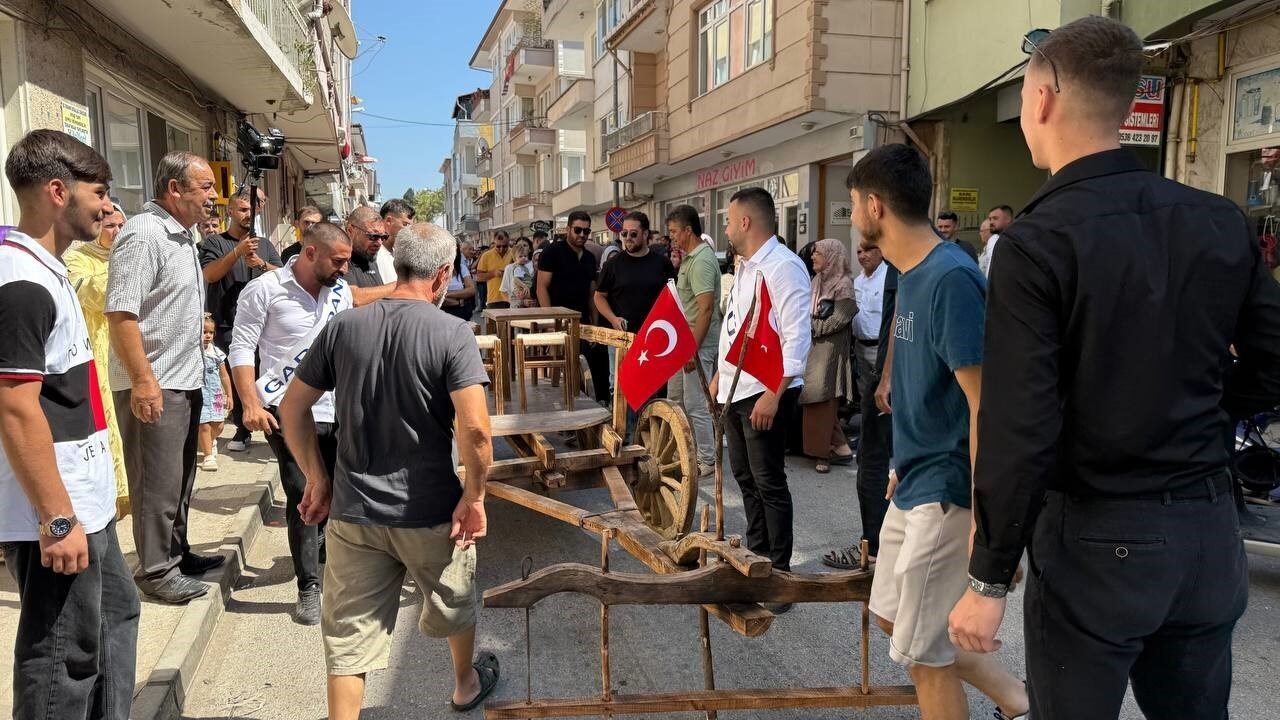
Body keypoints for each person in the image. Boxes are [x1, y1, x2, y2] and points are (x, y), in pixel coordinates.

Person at [948, 17, 1280, 720]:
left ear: (1042, 99)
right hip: (1207, 530)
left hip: (1100, 535)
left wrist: (988, 576)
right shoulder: (1220, 219)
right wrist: (1209, 409)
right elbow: (1273, 359)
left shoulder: (1035, 243)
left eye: (1025, 96)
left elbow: (1020, 425)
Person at [280, 222, 499, 718]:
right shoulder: (452, 332)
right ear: (442, 275)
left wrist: (317, 476)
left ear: (397, 265)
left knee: (347, 635)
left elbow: (292, 408)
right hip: (429, 509)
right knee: (452, 599)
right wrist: (475, 496)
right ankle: (465, 685)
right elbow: (477, 432)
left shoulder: (344, 327)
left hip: (354, 512)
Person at [847, 143, 1027, 720]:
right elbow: (926, 389)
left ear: (875, 206)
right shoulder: (911, 272)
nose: (853, 216)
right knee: (891, 619)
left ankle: (1019, 700)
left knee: (923, 656)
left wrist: (984, 520)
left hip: (949, 491)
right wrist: (901, 462)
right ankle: (1020, 699)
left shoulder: (951, 278)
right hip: (915, 477)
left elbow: (985, 406)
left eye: (854, 203)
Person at [0, 129, 140, 720]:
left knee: (115, 616)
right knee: (63, 655)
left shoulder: (46, 268)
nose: (107, 207)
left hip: (86, 501)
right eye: (99, 193)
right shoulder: (21, 281)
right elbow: (15, 408)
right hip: (58, 511)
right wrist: (57, 519)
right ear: (59, 192)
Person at [107, 151, 225, 604]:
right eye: (205, 187)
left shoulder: (182, 236)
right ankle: (156, 571)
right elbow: (121, 314)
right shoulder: (144, 234)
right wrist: (143, 381)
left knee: (178, 478)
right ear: (175, 189)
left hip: (184, 378)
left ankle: (176, 554)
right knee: (155, 483)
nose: (213, 196)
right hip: (155, 382)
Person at [231, 221, 355, 626]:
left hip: (337, 409)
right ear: (310, 252)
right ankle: (308, 586)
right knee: (303, 491)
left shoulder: (340, 293)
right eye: (338, 261)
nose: (344, 269)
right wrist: (250, 404)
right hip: (290, 413)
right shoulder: (264, 290)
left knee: (335, 490)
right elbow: (241, 348)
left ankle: (329, 561)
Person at [708, 188, 811, 600]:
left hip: (765, 391)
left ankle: (779, 577)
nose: (726, 228)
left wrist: (774, 393)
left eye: (729, 221)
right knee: (746, 478)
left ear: (746, 222)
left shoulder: (783, 267)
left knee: (769, 481)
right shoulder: (747, 266)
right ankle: (757, 558)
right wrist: (720, 374)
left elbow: (796, 337)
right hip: (735, 388)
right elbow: (736, 327)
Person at [824, 237, 891, 568]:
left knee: (878, 450)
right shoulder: (858, 282)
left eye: (869, 249)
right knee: (871, 443)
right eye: (860, 250)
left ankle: (877, 547)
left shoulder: (892, 277)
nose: (863, 255)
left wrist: (887, 373)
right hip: (864, 354)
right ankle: (875, 543)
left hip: (885, 356)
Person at [200, 186, 283, 453]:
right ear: (231, 211)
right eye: (243, 209)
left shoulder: (265, 245)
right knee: (236, 377)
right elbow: (210, 274)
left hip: (263, 325)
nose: (248, 214)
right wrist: (237, 252)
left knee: (262, 373)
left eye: (252, 209)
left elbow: (284, 277)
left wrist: (261, 264)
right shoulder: (214, 243)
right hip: (227, 322)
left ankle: (272, 425)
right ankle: (242, 428)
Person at [65, 202, 130, 516]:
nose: (116, 232)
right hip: (99, 352)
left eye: (121, 226)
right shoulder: (76, 259)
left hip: (130, 350)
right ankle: (114, 496)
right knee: (108, 420)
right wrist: (123, 270)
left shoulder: (130, 257)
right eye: (109, 226)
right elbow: (91, 295)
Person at [665, 205, 721, 477]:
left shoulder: (701, 261)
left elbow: (705, 309)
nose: (672, 237)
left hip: (697, 346)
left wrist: (692, 350)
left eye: (674, 231)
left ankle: (707, 459)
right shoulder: (691, 258)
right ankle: (681, 452)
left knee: (696, 403)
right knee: (675, 399)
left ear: (688, 230)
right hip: (684, 342)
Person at [539, 211, 611, 402]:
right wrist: (550, 322)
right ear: (568, 229)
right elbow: (541, 288)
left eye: (586, 231)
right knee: (563, 371)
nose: (582, 235)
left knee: (586, 369)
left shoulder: (589, 258)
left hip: (582, 320)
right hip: (559, 320)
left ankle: (590, 405)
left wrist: (595, 323)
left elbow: (592, 293)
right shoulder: (552, 252)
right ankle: (564, 409)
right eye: (578, 230)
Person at [799, 239, 856, 473]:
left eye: (819, 253)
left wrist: (811, 326)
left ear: (832, 257)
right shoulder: (816, 281)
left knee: (822, 398)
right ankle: (840, 448)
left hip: (831, 350)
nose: (813, 257)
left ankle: (822, 453)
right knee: (813, 395)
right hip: (814, 347)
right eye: (813, 253)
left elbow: (840, 318)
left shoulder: (844, 285)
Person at [594, 211, 675, 333]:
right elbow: (599, 296)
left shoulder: (663, 263)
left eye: (633, 234)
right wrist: (613, 319)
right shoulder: (612, 264)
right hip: (623, 335)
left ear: (645, 234)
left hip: (654, 333)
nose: (628, 238)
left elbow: (672, 297)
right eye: (624, 233)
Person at [197, 314, 232, 472]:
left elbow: (224, 376)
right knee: (204, 425)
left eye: (210, 332)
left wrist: (229, 395)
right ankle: (208, 456)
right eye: (204, 332)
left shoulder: (217, 354)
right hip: (200, 394)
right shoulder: (195, 353)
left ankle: (210, 441)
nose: (207, 335)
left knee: (219, 425)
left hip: (216, 395)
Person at [344, 206, 390, 288]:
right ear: (350, 231)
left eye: (383, 237)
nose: (379, 243)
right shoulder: (341, 260)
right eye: (373, 236)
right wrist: (399, 287)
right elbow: (352, 294)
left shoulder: (369, 257)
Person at [376, 198, 415, 281]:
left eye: (410, 227)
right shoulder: (374, 255)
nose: (409, 231)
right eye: (405, 225)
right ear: (389, 221)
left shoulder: (398, 255)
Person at [475, 230, 514, 308]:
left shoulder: (514, 253)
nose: (501, 249)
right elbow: (478, 277)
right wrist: (493, 273)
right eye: (498, 246)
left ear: (508, 242)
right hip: (494, 299)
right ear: (494, 243)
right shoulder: (486, 255)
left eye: (505, 246)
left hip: (513, 298)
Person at [442, 240, 478, 321]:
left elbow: (471, 290)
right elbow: (436, 296)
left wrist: (447, 294)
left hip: (460, 312)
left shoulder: (461, 268)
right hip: (442, 313)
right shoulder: (436, 270)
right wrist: (458, 302)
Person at [499, 238, 536, 308]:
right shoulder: (510, 267)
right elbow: (503, 292)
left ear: (530, 249)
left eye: (524, 245)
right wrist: (520, 302)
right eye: (519, 246)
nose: (521, 248)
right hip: (517, 308)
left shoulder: (535, 264)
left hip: (534, 307)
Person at [977, 205, 1012, 277]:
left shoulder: (1013, 241)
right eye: (990, 219)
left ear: (1008, 219)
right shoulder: (995, 240)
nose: (991, 222)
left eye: (995, 218)